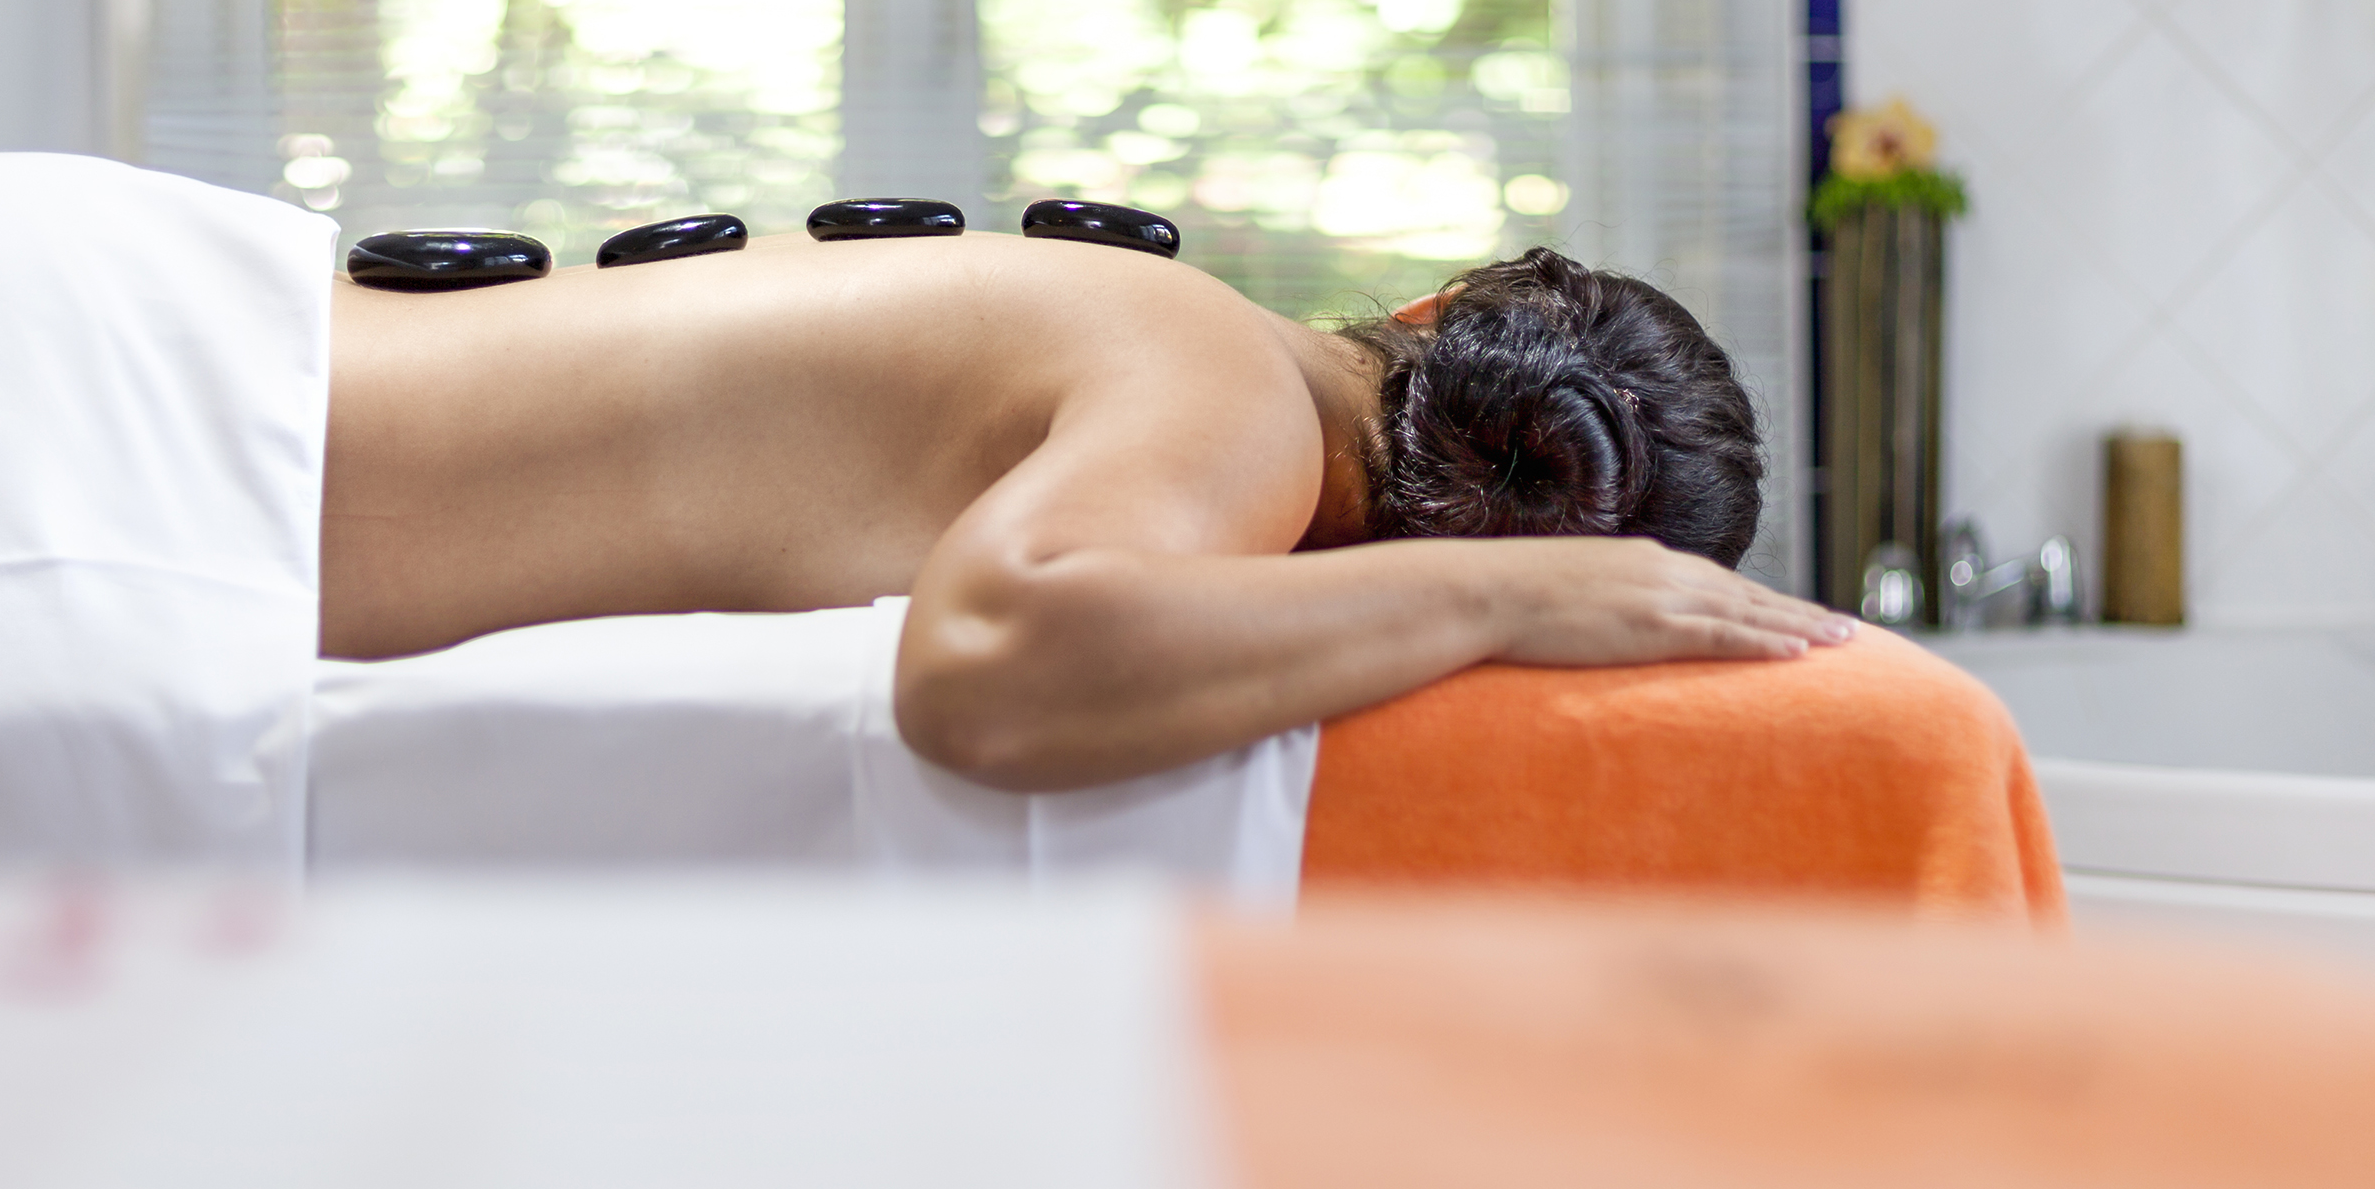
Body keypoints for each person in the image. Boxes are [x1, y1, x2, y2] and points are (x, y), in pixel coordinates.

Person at [322, 227, 1851, 792]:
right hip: (209, 430)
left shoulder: (1209, 350)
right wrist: (1512, 595)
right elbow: (986, 660)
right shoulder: (1242, 399)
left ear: (1429, 309)